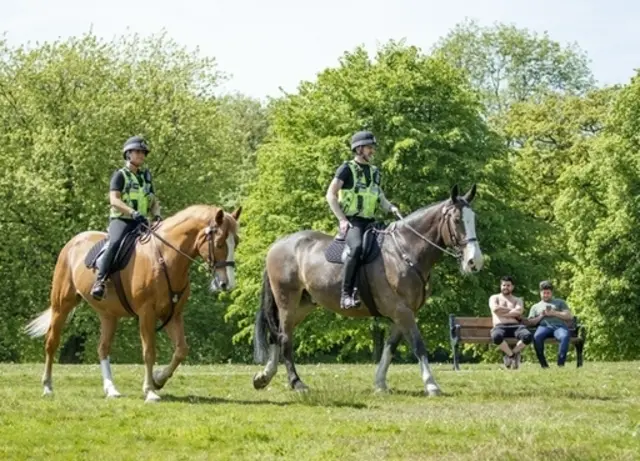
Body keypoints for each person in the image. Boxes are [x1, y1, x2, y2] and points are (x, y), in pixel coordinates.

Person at [325, 130, 400, 309]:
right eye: (369, 148)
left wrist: (391, 207)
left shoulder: (374, 172)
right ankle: (346, 294)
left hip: (371, 222)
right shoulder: (346, 169)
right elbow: (331, 194)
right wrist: (342, 219)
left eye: (372, 148)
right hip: (353, 222)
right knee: (357, 247)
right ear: (358, 149)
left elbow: (379, 195)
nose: (372, 151)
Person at [90, 135, 162, 300]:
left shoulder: (146, 178)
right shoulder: (120, 175)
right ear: (128, 154)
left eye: (143, 153)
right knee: (115, 243)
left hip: (142, 223)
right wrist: (132, 212)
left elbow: (153, 201)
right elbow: (114, 200)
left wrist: (157, 215)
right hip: (122, 220)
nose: (141, 155)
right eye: (137, 152)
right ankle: (100, 281)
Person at [488, 276, 533, 369]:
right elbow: (495, 309)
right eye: (503, 285)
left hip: (516, 326)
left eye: (508, 285)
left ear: (512, 287)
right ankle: (512, 355)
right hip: (499, 326)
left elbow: (519, 312)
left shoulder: (518, 300)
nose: (505, 287)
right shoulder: (494, 297)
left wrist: (503, 314)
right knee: (496, 337)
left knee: (528, 336)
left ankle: (510, 354)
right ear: (500, 286)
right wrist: (512, 310)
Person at [528, 280, 573, 368]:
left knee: (564, 336)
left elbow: (569, 316)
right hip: (544, 327)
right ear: (540, 293)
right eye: (544, 293)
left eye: (548, 293)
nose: (546, 295)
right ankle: (544, 365)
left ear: (551, 293)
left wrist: (554, 313)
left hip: (559, 327)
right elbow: (531, 322)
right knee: (537, 337)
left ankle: (561, 364)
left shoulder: (560, 302)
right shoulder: (535, 306)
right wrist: (541, 315)